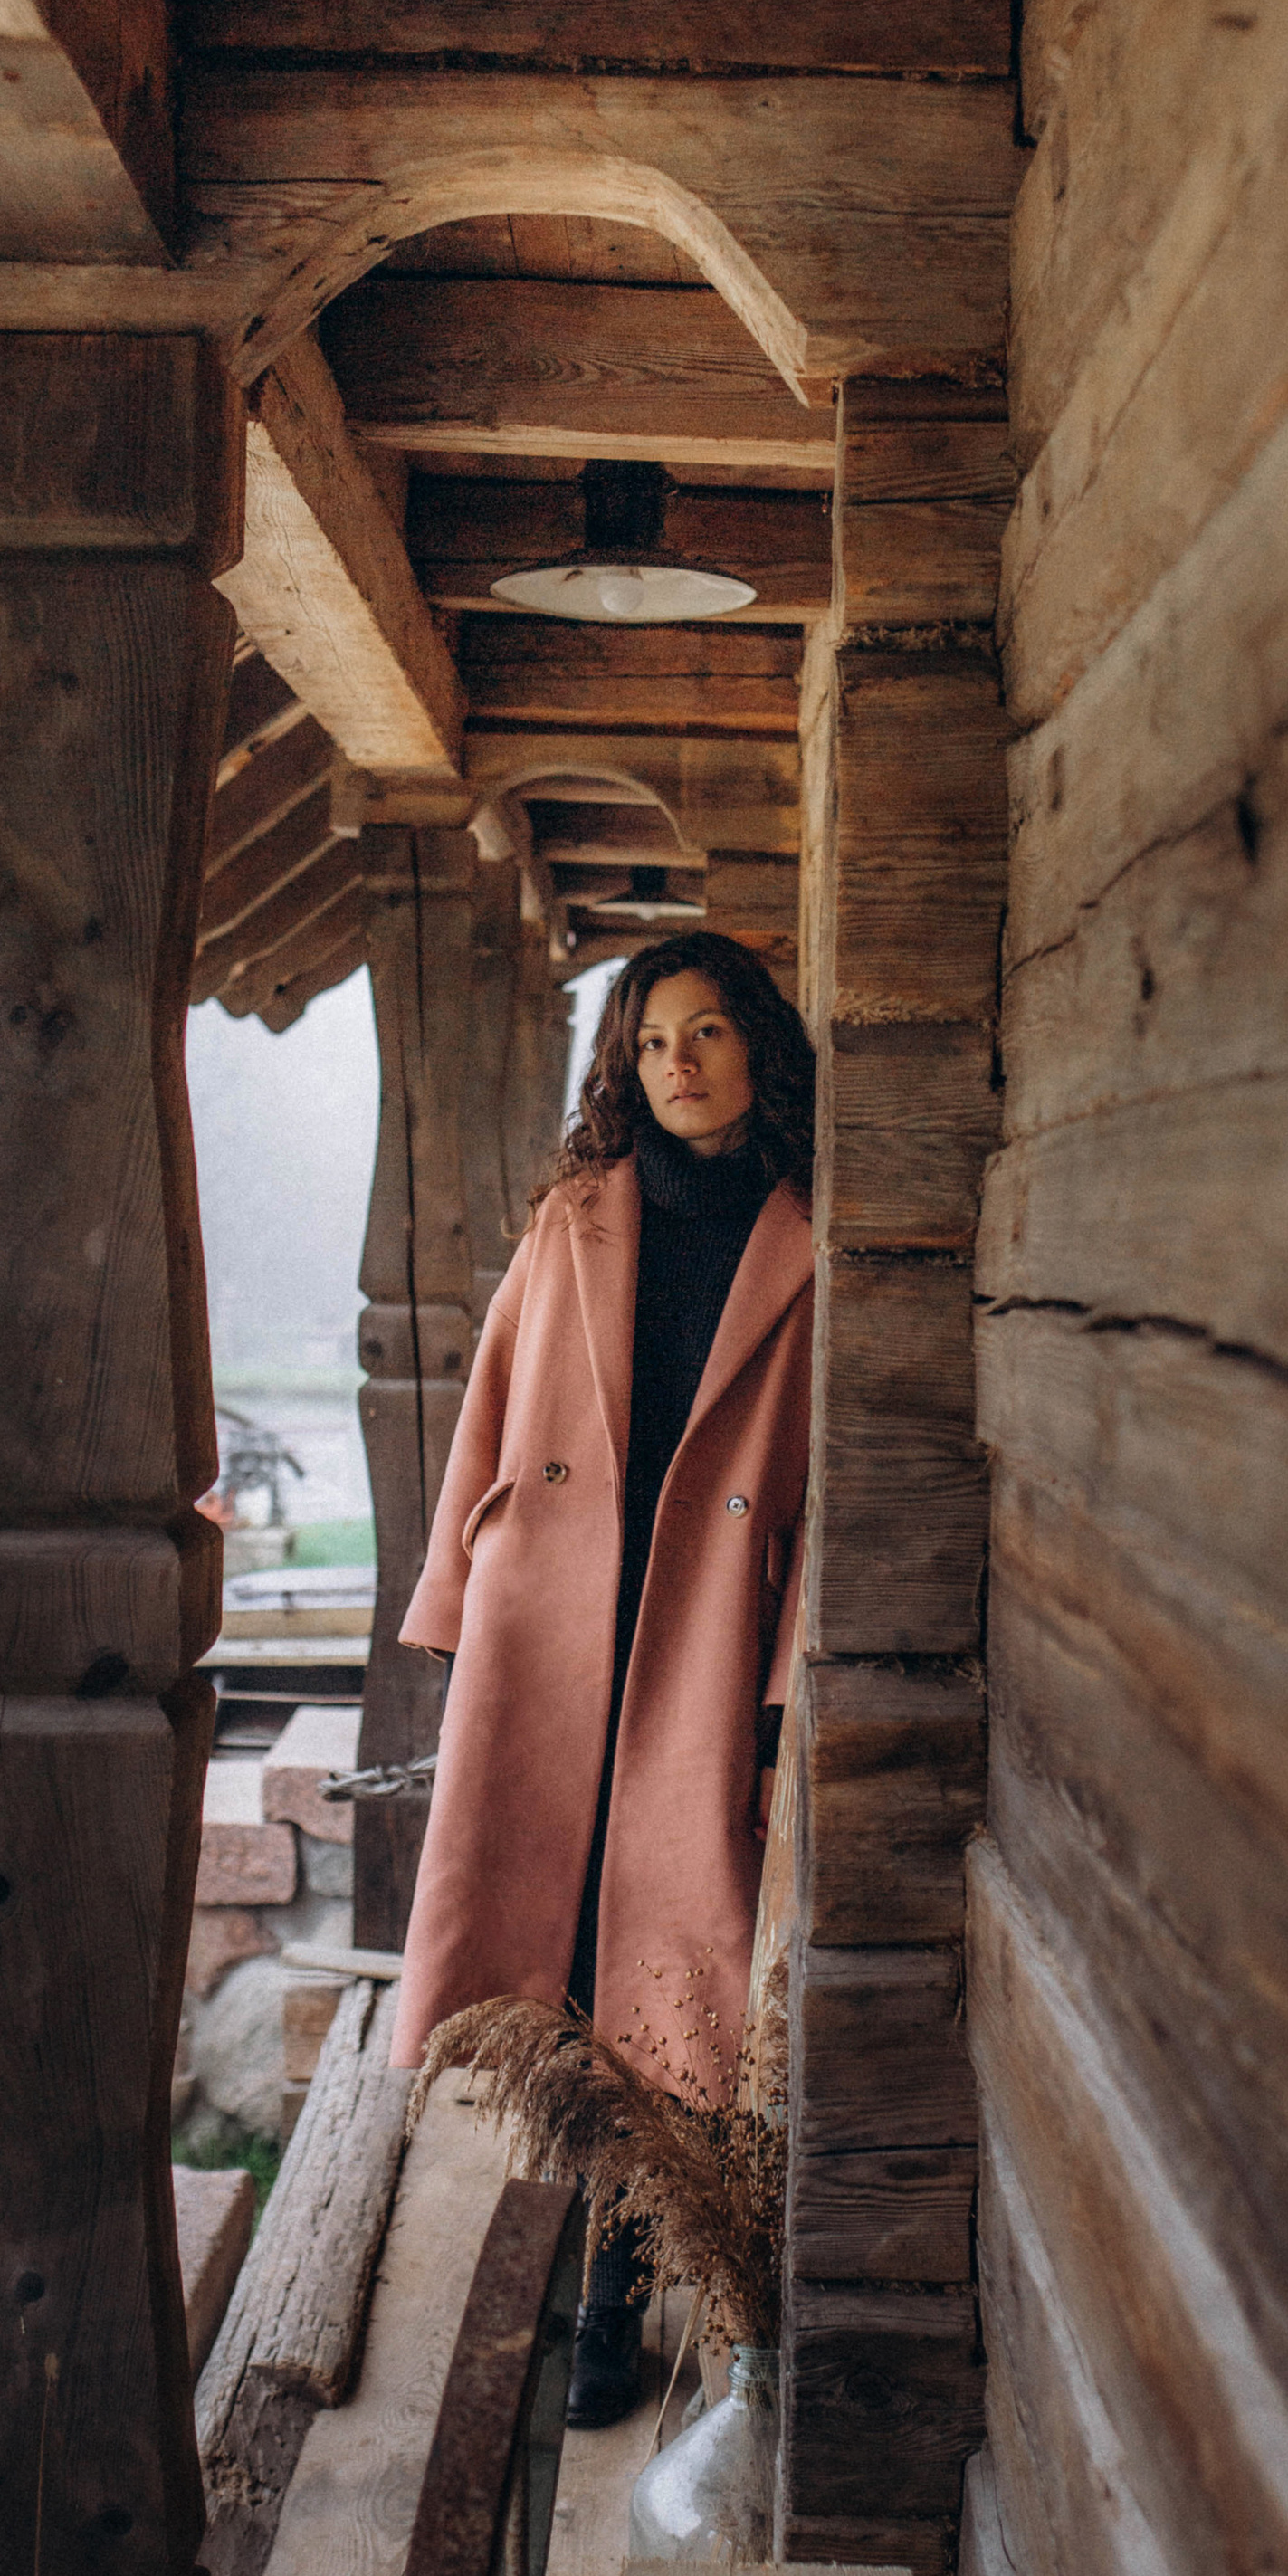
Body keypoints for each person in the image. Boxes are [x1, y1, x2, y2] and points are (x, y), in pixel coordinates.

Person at [390, 930, 816, 2423]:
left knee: (669, 1961)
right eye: (649, 1042)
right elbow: (491, 1404)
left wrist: (784, 1682)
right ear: (622, 1065)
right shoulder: (576, 1216)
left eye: (705, 1034)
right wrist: (456, 1591)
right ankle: (594, 2280)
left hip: (704, 1624)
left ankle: (623, 2285)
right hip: (560, 1618)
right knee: (561, 1950)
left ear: (759, 1048)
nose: (677, 1065)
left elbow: (833, 1479)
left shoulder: (813, 1233)